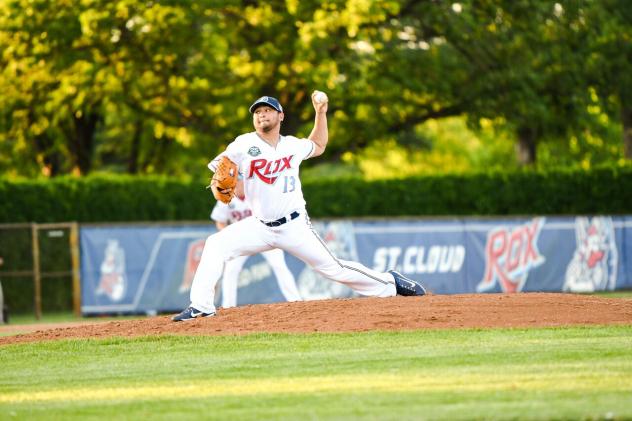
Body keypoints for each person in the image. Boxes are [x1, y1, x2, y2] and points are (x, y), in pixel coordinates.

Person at [172, 91, 426, 321]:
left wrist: (320, 112)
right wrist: (231, 184)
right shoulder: (242, 144)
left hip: (294, 225)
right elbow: (220, 172)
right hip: (259, 225)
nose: (261, 115)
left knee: (333, 269)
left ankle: (390, 282)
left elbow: (319, 145)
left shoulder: (292, 145)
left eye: (267, 111)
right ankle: (202, 305)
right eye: (258, 112)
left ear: (280, 116)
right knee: (215, 244)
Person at [211, 180, 302, 308]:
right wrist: (228, 235)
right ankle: (228, 306)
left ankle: (295, 300)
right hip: (241, 239)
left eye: (240, 181)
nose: (237, 184)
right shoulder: (226, 198)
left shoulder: (257, 193)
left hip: (265, 235)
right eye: (235, 181)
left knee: (279, 265)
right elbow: (219, 221)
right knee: (231, 270)